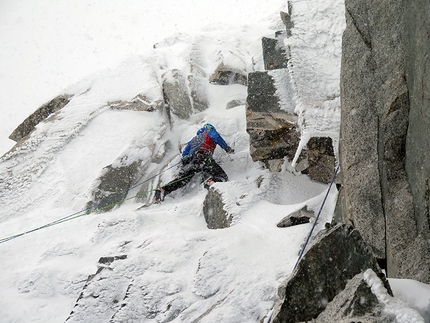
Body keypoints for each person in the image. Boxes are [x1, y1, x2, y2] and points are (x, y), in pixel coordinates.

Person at [154, 123, 234, 203]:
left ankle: (164, 190)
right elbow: (216, 137)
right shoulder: (209, 132)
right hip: (204, 157)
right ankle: (210, 182)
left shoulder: (194, 139)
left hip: (193, 161)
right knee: (222, 176)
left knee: (183, 180)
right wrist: (227, 148)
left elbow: (185, 153)